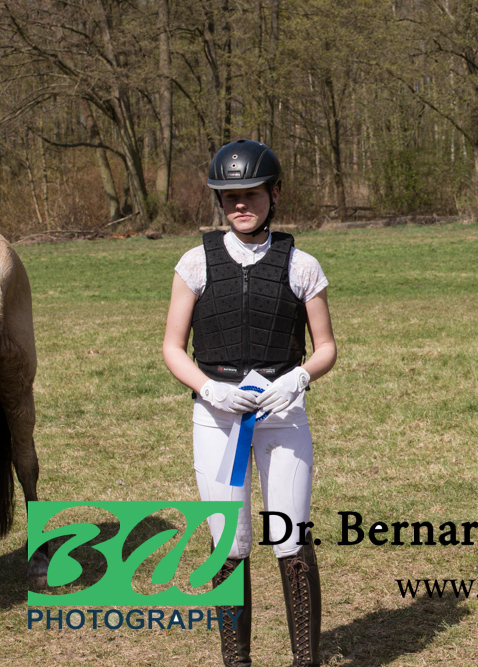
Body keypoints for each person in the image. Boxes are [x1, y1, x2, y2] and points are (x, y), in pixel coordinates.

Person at [163, 139, 336, 667]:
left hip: (282, 416)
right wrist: (207, 388)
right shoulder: (195, 263)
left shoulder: (302, 264)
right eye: (230, 196)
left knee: (291, 538)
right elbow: (172, 347)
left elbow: (326, 347)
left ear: (274, 194)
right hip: (218, 418)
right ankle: (236, 661)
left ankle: (305, 660)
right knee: (229, 543)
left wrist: (299, 377)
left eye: (253, 194)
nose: (241, 204)